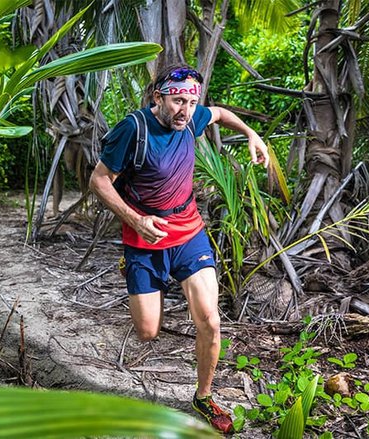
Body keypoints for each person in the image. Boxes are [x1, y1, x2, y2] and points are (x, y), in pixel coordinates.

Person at [89, 64, 269, 434]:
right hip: (144, 238)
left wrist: (251, 133)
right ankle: (144, 276)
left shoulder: (192, 117)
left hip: (188, 233)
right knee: (148, 331)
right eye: (176, 101)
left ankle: (203, 397)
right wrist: (135, 220)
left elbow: (218, 114)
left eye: (191, 101)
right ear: (158, 97)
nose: (185, 110)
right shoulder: (133, 130)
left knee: (211, 320)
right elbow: (99, 180)